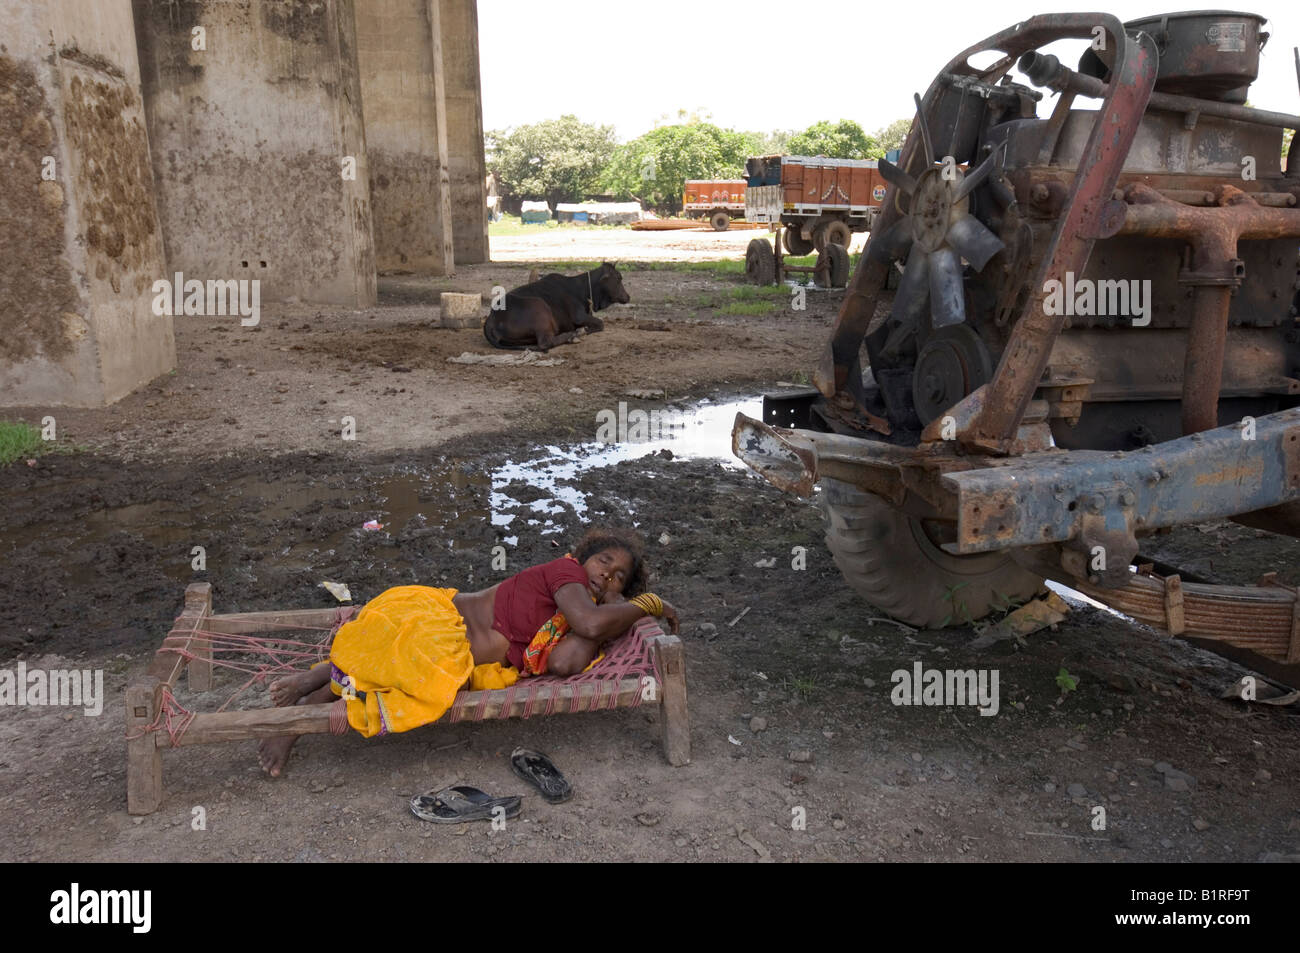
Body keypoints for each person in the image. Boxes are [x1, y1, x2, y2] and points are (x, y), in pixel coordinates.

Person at [258, 527, 678, 776]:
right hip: (438, 618)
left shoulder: (581, 620)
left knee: (424, 672)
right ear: (581, 558)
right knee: (418, 659)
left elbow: (567, 664)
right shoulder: (564, 573)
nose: (607, 574)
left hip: (451, 651)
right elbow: (589, 623)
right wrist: (648, 604)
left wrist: (609, 611)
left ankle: (314, 693)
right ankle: (310, 692)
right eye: (603, 562)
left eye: (619, 578)